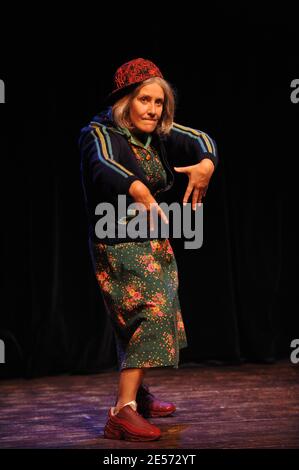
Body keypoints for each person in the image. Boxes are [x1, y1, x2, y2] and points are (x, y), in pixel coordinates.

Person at [79, 58, 218, 441]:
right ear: (126, 101)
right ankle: (121, 412)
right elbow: (103, 165)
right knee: (149, 312)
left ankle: (136, 394)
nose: (152, 110)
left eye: (159, 103)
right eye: (144, 100)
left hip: (152, 240)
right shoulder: (100, 133)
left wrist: (206, 164)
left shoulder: (154, 132)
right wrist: (139, 189)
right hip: (117, 241)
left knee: (154, 312)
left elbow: (200, 139)